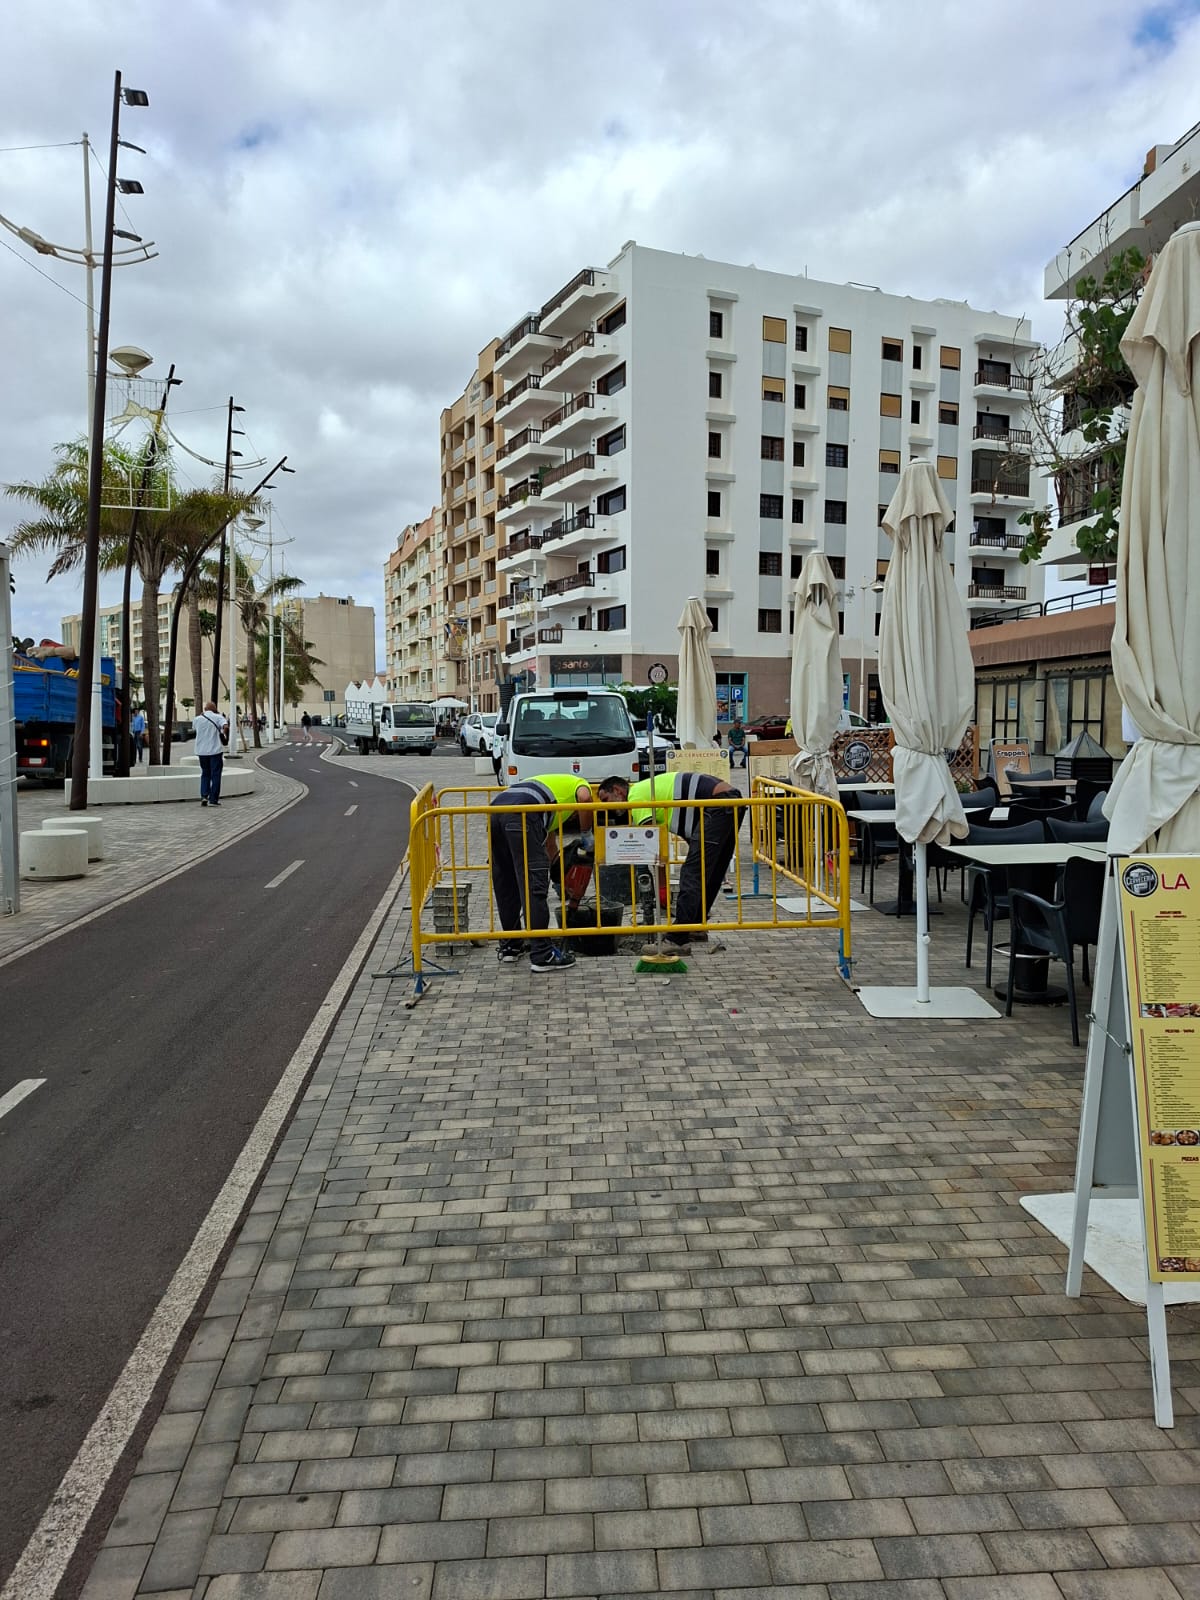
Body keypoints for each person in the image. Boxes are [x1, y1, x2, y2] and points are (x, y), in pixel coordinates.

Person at [490, 772, 630, 972]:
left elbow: (549, 846)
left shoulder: (552, 808)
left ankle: (510, 947)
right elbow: (584, 798)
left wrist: (558, 878)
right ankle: (542, 955)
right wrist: (586, 833)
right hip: (523, 812)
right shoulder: (581, 784)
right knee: (533, 887)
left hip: (496, 810)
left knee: (507, 882)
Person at [627, 769, 744, 948]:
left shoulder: (634, 797)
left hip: (718, 804)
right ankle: (695, 926)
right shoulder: (648, 789)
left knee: (693, 872)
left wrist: (663, 886)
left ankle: (678, 936)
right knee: (712, 869)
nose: (604, 805)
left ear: (617, 792)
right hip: (729, 801)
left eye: (605, 799)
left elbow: (655, 846)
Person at [192, 699, 229, 808]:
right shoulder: (218, 717)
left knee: (205, 773)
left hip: (201, 751)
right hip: (215, 751)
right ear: (215, 709)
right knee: (216, 774)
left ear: (205, 709)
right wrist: (225, 736)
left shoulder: (197, 719)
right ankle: (213, 799)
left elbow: (194, 729)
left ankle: (204, 795)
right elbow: (226, 727)